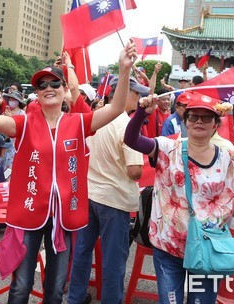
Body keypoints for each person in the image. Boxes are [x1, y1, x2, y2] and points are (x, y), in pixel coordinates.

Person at [0, 41, 137, 304]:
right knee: (21, 288)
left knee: (55, 291)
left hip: (63, 218)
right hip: (28, 215)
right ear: (36, 93)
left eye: (54, 83)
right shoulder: (24, 123)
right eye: (42, 85)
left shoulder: (78, 123)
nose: (48, 88)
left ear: (64, 89)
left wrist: (124, 70)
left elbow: (115, 108)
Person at [123, 92, 234, 304]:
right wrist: (140, 114)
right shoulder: (167, 147)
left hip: (208, 249)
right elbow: (132, 140)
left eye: (207, 117)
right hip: (169, 245)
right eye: (193, 117)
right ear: (185, 122)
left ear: (215, 125)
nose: (199, 121)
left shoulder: (230, 155)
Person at [67, 76, 148, 304]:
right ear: (122, 92)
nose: (139, 98)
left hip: (90, 194)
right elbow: (134, 171)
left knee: (82, 252)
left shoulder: (96, 119)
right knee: (113, 260)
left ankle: (75, 298)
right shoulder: (127, 126)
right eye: (136, 93)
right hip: (114, 200)